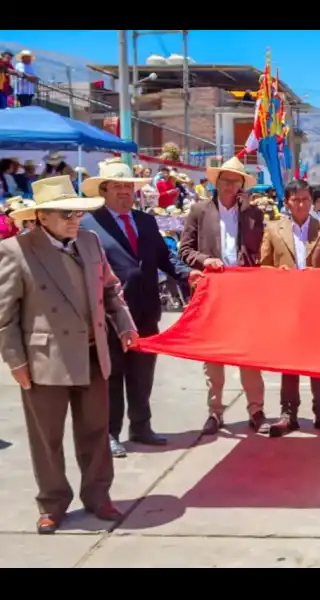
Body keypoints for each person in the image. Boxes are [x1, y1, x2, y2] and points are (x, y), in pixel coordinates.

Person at [0, 176, 138, 534]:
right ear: (42, 216)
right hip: (45, 363)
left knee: (95, 432)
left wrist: (123, 322)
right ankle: (52, 503)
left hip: (93, 355)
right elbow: (5, 316)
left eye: (77, 213)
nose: (75, 220)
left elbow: (110, 289)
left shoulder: (89, 242)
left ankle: (98, 496)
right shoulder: (16, 250)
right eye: (66, 214)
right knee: (47, 439)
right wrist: (16, 362)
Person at [80, 158, 191, 458]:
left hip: (146, 313)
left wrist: (190, 274)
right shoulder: (88, 226)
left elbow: (165, 259)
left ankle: (141, 426)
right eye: (117, 187)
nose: (125, 193)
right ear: (103, 190)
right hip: (110, 317)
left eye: (128, 187)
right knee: (112, 377)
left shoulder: (146, 221)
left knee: (143, 376)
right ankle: (111, 433)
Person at [179, 156, 267, 435]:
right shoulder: (199, 211)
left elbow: (260, 253)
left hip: (244, 293)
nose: (230, 186)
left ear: (242, 185)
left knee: (248, 354)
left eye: (236, 181)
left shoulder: (253, 215)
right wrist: (205, 260)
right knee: (213, 356)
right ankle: (215, 412)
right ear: (216, 182)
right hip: (212, 292)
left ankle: (256, 409)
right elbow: (184, 250)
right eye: (226, 181)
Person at [258, 179, 320, 437]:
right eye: (296, 200)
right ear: (287, 202)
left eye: (306, 199)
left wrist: (317, 273)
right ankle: (288, 414)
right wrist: (278, 273)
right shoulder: (273, 230)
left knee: (319, 362)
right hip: (286, 306)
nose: (301, 204)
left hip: (318, 305)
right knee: (289, 361)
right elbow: (262, 266)